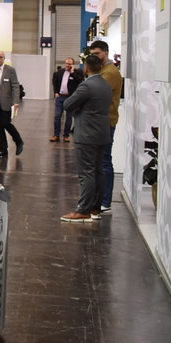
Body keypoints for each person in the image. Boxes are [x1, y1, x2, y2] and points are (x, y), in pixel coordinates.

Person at [59, 54, 114, 222]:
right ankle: (96, 208)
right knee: (98, 171)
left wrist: (80, 107)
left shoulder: (87, 85)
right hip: (102, 133)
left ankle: (83, 210)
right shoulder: (105, 84)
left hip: (87, 134)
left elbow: (67, 104)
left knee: (86, 173)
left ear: (86, 68)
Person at [88, 39, 124, 212]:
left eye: (97, 54)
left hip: (105, 122)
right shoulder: (104, 71)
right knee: (100, 161)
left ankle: (105, 201)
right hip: (102, 121)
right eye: (92, 54)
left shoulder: (109, 73)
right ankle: (100, 199)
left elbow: (96, 94)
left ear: (106, 53)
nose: (95, 57)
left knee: (104, 162)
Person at [0, 51, 24, 158]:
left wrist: (16, 101)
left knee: (6, 123)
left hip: (6, 102)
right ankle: (3, 150)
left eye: (0, 57)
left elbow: (15, 86)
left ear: (3, 58)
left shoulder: (10, 70)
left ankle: (18, 141)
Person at [50, 57, 82, 142]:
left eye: (69, 64)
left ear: (73, 65)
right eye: (66, 63)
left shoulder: (77, 73)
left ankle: (66, 135)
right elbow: (55, 82)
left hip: (70, 98)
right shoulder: (59, 72)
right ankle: (56, 135)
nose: (68, 65)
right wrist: (56, 92)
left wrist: (72, 73)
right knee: (57, 116)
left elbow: (80, 82)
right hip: (60, 97)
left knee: (69, 117)